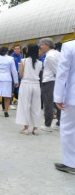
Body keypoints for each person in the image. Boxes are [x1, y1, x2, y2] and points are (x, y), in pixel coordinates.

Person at [54, 27, 75, 174]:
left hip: (72, 96)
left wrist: (58, 97)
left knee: (68, 129)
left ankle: (71, 163)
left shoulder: (69, 46)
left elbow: (62, 73)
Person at [15, 44, 43, 135]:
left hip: (26, 84)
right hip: (36, 85)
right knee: (36, 106)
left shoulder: (24, 61)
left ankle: (26, 128)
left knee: (25, 105)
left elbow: (21, 74)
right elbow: (38, 73)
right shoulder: (40, 63)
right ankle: (35, 128)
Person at [39, 38, 61, 132]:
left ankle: (48, 124)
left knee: (48, 103)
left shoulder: (50, 56)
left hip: (50, 82)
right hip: (54, 81)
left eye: (42, 44)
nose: (41, 46)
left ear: (47, 45)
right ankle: (59, 122)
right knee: (57, 103)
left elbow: (57, 71)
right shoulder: (56, 53)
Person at [0, 47, 19, 117]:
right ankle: (6, 111)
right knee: (7, 96)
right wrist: (16, 81)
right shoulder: (10, 58)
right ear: (7, 52)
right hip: (7, 78)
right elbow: (14, 71)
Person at [10, 45, 23, 109]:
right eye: (15, 49)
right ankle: (10, 103)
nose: (16, 50)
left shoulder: (21, 56)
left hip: (19, 74)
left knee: (18, 88)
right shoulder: (11, 57)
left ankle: (18, 101)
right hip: (12, 74)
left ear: (20, 50)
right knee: (11, 89)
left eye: (18, 49)